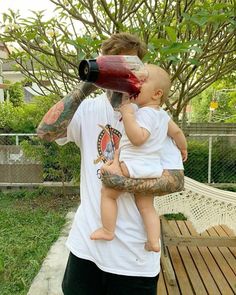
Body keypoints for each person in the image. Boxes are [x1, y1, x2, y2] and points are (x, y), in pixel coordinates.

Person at [37, 32, 185, 295]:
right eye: (110, 66)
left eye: (125, 68)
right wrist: (87, 84)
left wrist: (121, 182)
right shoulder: (87, 109)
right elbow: (45, 132)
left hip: (134, 259)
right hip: (86, 249)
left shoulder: (154, 116)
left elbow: (175, 181)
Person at [90, 64, 187, 253]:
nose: (134, 83)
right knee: (146, 207)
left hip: (134, 165)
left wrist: (127, 115)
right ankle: (153, 241)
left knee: (108, 194)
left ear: (157, 94)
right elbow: (177, 132)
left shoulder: (145, 114)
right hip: (152, 168)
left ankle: (108, 230)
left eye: (141, 81)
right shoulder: (162, 116)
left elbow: (138, 138)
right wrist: (183, 147)